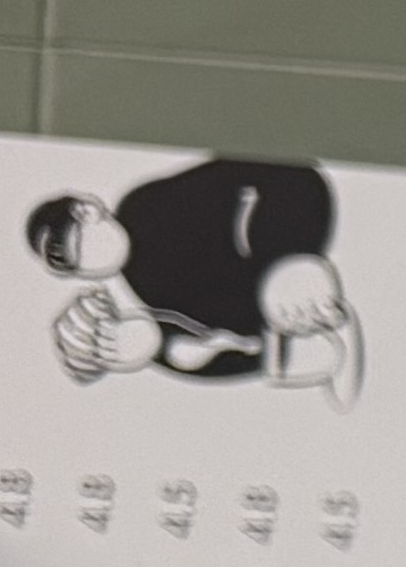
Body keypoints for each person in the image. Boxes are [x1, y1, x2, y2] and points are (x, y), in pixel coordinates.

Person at [30, 157, 361, 396]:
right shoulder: (140, 283)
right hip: (264, 318)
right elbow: (192, 338)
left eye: (74, 244)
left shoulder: (145, 206)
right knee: (188, 350)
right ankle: (297, 349)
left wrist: (286, 257)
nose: (85, 262)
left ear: (88, 210)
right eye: (69, 264)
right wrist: (153, 345)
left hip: (283, 232)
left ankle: (310, 321)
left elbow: (255, 176)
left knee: (284, 287)